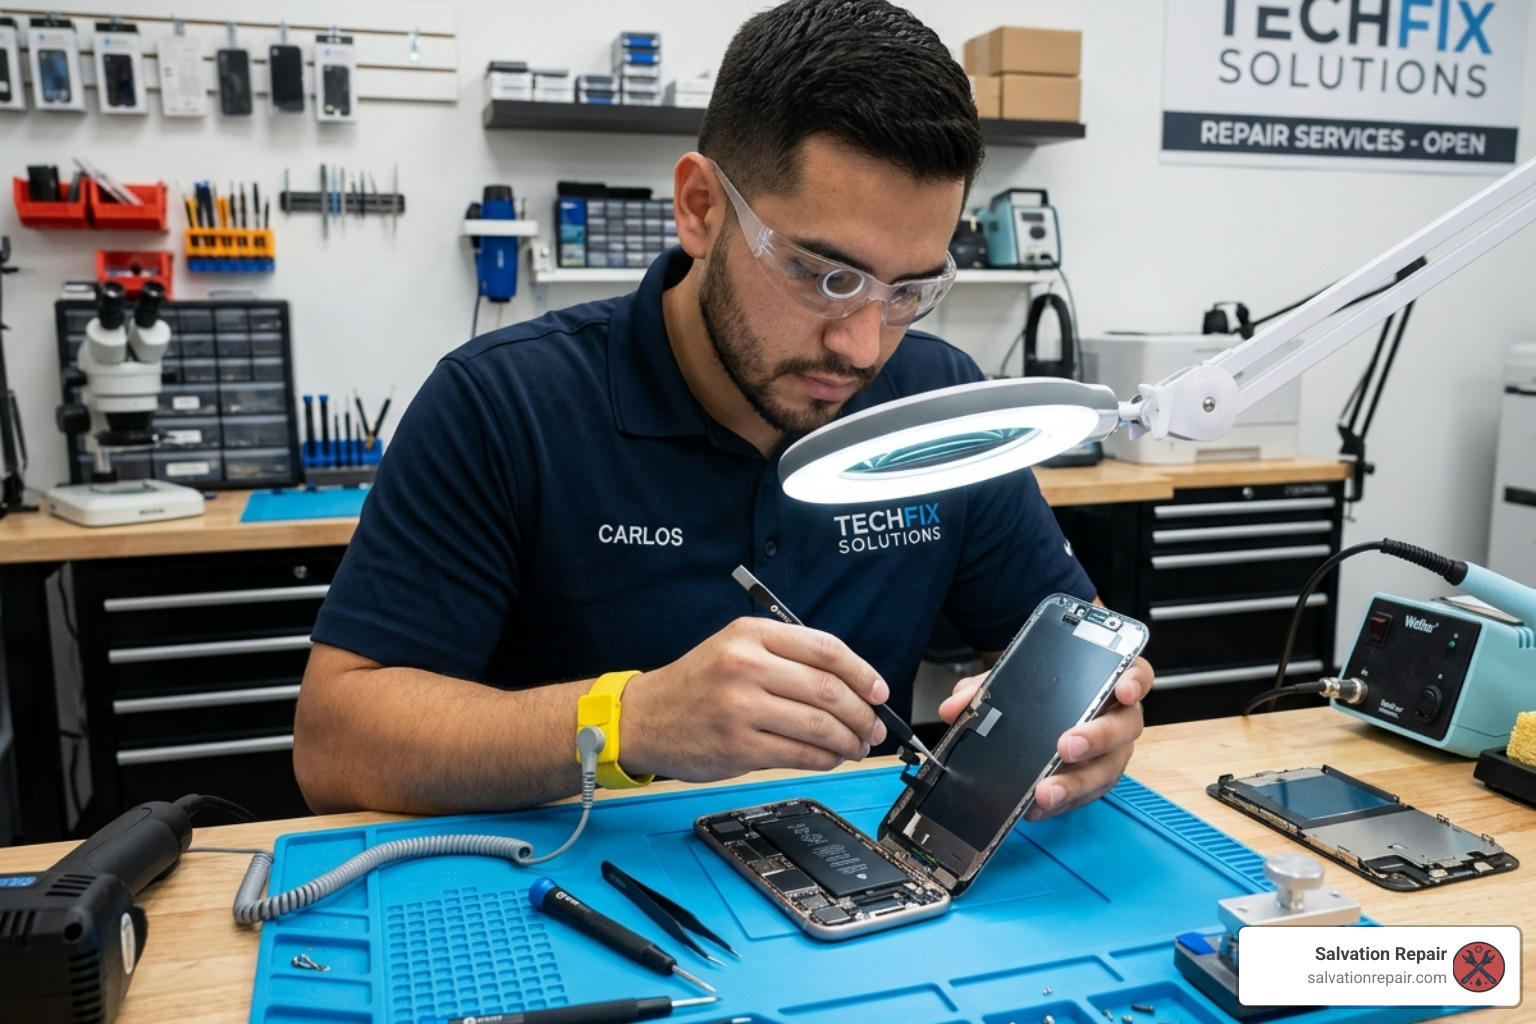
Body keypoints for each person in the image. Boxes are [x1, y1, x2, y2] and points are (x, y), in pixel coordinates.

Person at [294, 0, 1153, 819]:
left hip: (850, 893)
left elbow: (1064, 652)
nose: (862, 346)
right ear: (701, 209)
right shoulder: (505, 403)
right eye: (826, 276)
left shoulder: (940, 406)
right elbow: (338, 742)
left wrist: (1083, 722)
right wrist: (632, 720)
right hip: (575, 901)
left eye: (909, 291)